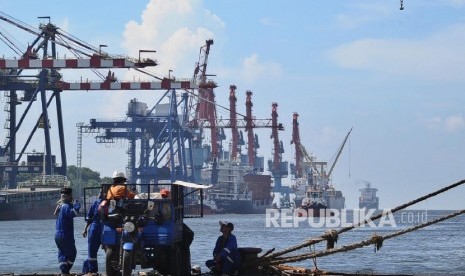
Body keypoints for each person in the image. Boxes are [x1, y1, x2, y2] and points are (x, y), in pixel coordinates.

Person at [54, 187, 81, 276]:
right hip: (65, 234)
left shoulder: (60, 206)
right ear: (69, 196)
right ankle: (65, 271)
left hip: (57, 235)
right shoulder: (66, 206)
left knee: (62, 253)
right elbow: (73, 213)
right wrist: (77, 205)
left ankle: (64, 271)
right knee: (72, 252)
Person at [82, 190, 104, 275]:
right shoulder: (110, 202)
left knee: (92, 250)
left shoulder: (95, 203)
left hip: (94, 228)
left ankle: (92, 270)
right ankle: (113, 268)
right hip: (106, 227)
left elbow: (89, 218)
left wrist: (85, 229)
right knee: (111, 249)